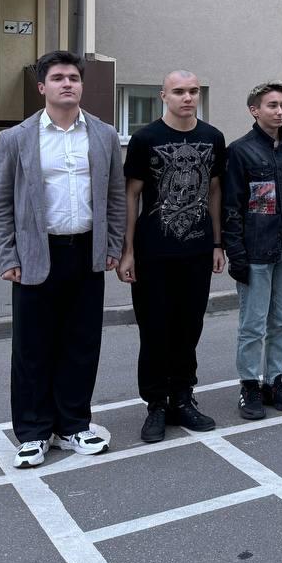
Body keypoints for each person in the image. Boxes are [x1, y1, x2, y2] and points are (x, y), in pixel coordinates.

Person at [0, 50, 126, 468]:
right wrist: (5, 255)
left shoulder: (102, 135)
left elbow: (115, 197)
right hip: (34, 255)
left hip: (86, 253)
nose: (68, 84)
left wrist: (113, 246)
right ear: (42, 86)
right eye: (59, 77)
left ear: (82, 86)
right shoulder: (16, 138)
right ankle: (32, 433)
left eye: (74, 78)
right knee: (33, 348)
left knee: (82, 344)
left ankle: (73, 425)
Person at [118, 70, 226, 443]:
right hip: (153, 253)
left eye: (194, 91)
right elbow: (131, 196)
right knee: (154, 330)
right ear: (163, 95)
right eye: (179, 91)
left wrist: (216, 243)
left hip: (196, 252)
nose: (187, 97)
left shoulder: (212, 138)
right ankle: (155, 405)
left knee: (188, 328)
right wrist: (127, 251)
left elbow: (214, 191)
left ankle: (183, 398)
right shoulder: (146, 138)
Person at [223, 82, 282, 420]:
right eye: (272, 105)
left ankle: (274, 381)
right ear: (255, 110)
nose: (279, 111)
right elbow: (231, 206)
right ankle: (249, 384)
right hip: (256, 252)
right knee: (253, 324)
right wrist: (236, 253)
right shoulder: (240, 150)